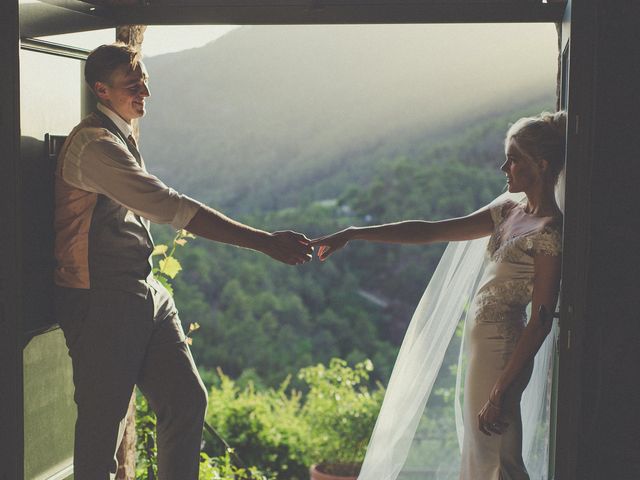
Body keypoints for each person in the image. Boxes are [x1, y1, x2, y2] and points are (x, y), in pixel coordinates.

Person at [53, 43, 312, 480]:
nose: (145, 94)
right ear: (101, 89)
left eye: (145, 83)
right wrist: (266, 241)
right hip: (102, 297)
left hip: (144, 290)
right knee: (103, 429)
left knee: (186, 400)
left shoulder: (120, 134)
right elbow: (169, 207)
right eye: (133, 86)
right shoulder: (95, 147)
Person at [311, 111, 566, 480]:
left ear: (540, 165)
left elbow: (541, 320)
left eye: (513, 159)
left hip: (504, 353)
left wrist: (500, 391)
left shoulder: (548, 231)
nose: (503, 167)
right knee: (482, 455)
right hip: (482, 351)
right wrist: (353, 233)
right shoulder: (507, 212)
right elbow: (429, 231)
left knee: (498, 458)